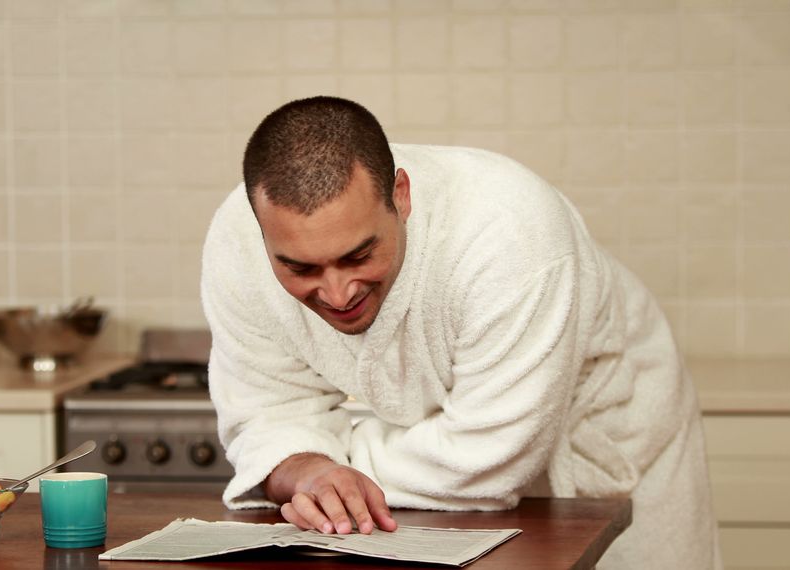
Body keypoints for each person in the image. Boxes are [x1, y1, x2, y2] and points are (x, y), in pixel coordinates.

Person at [199, 96, 721, 568]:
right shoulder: (237, 246)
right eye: (301, 270)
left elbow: (486, 461)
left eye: (359, 255)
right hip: (425, 483)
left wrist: (340, 461)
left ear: (401, 196)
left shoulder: (513, 235)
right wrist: (309, 469)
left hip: (605, 439)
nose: (337, 294)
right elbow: (267, 409)